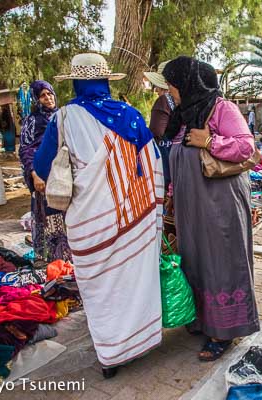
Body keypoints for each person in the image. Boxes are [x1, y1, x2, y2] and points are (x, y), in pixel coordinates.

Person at [33, 54, 164, 379]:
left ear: (77, 83)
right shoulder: (132, 116)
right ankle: (139, 341)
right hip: (135, 218)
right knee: (132, 279)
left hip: (91, 226)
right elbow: (156, 164)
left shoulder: (64, 118)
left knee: (102, 287)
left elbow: (40, 166)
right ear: (106, 81)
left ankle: (110, 354)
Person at [162, 56, 259, 361]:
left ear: (190, 84)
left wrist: (210, 141)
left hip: (220, 202)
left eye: (172, 84)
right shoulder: (181, 115)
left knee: (222, 259)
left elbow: (247, 146)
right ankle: (203, 318)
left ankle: (225, 329)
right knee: (196, 258)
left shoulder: (222, 108)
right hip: (191, 204)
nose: (169, 91)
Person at [18, 80, 71, 264]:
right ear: (36, 100)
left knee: (65, 216)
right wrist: (35, 174)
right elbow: (26, 149)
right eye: (42, 95)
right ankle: (50, 259)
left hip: (63, 175)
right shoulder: (32, 121)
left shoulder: (62, 115)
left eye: (49, 94)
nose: (48, 98)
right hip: (44, 178)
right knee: (48, 217)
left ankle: (67, 257)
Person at [145, 61, 176, 243]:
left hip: (166, 161)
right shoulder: (186, 101)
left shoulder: (164, 101)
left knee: (168, 211)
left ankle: (170, 253)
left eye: (158, 85)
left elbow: (156, 132)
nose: (156, 90)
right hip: (181, 158)